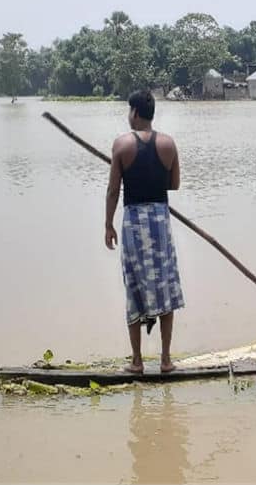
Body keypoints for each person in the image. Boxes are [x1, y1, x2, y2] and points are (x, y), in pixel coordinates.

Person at [104, 90, 185, 374]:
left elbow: (114, 190)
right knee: (164, 284)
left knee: (135, 285)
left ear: (136, 113)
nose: (129, 116)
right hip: (160, 221)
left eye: (129, 111)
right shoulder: (168, 144)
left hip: (134, 222)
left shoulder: (121, 146)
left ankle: (137, 361)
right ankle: (165, 360)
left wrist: (108, 225)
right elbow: (173, 184)